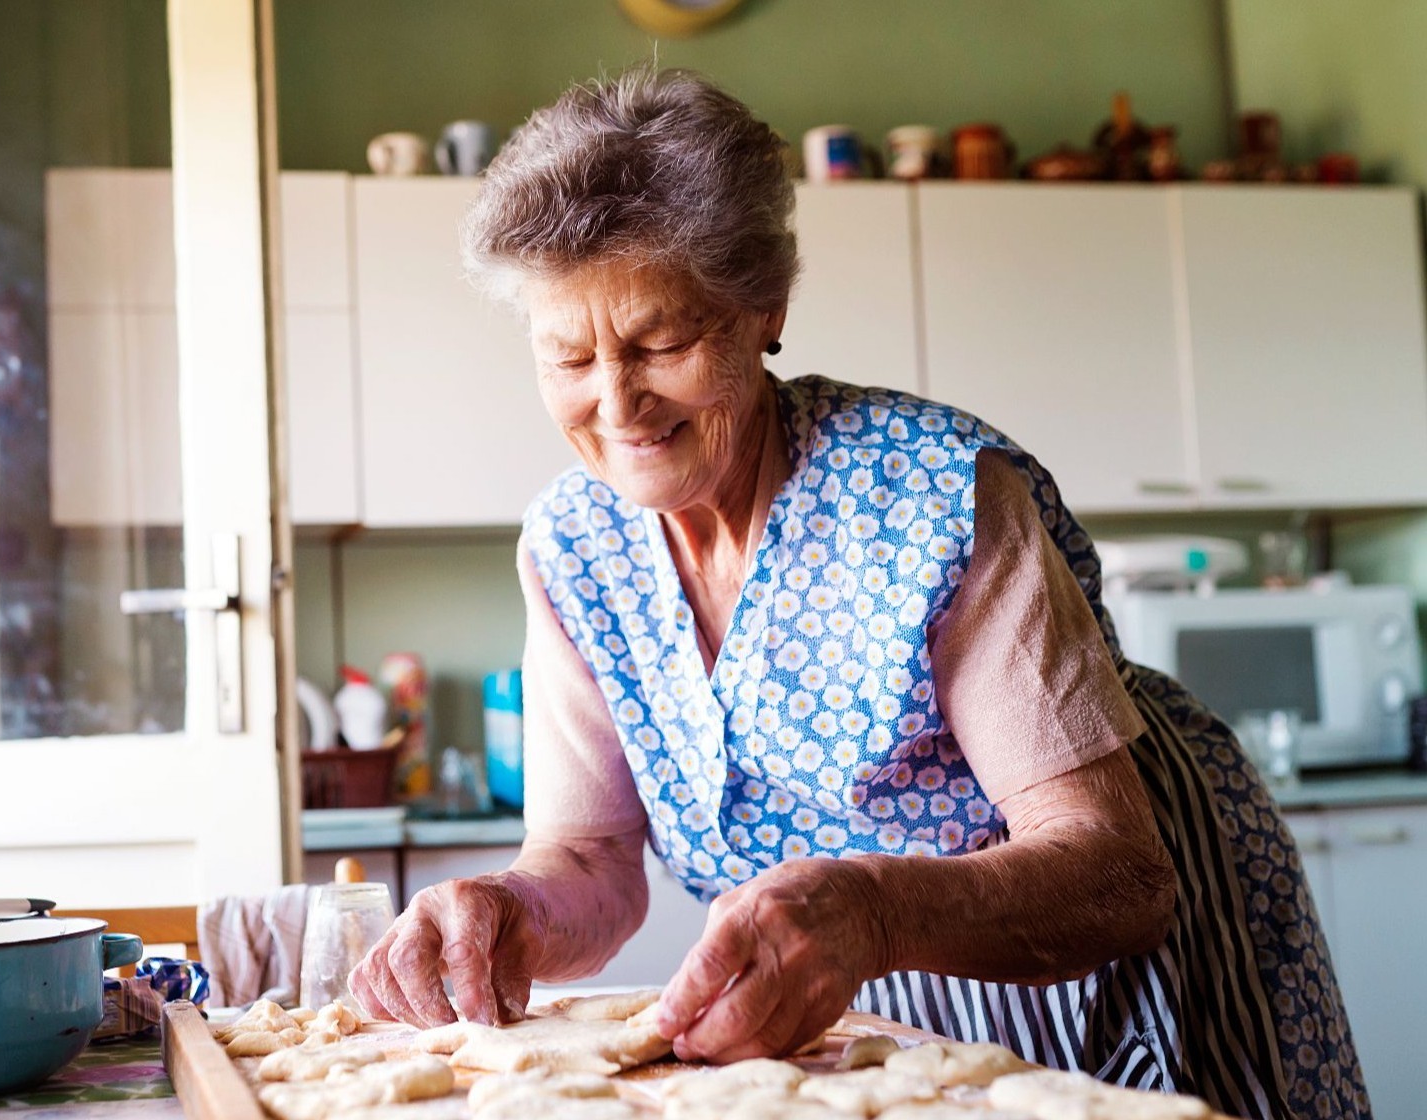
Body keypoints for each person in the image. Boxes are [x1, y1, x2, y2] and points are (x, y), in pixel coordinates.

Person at [347, 67, 1365, 1119]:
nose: (618, 404)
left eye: (661, 342)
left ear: (763, 308)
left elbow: (1115, 872)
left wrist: (870, 910)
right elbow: (591, 860)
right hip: (861, 967)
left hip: (1095, 936)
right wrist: (506, 910)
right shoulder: (573, 544)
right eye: (567, 356)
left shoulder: (934, 497)